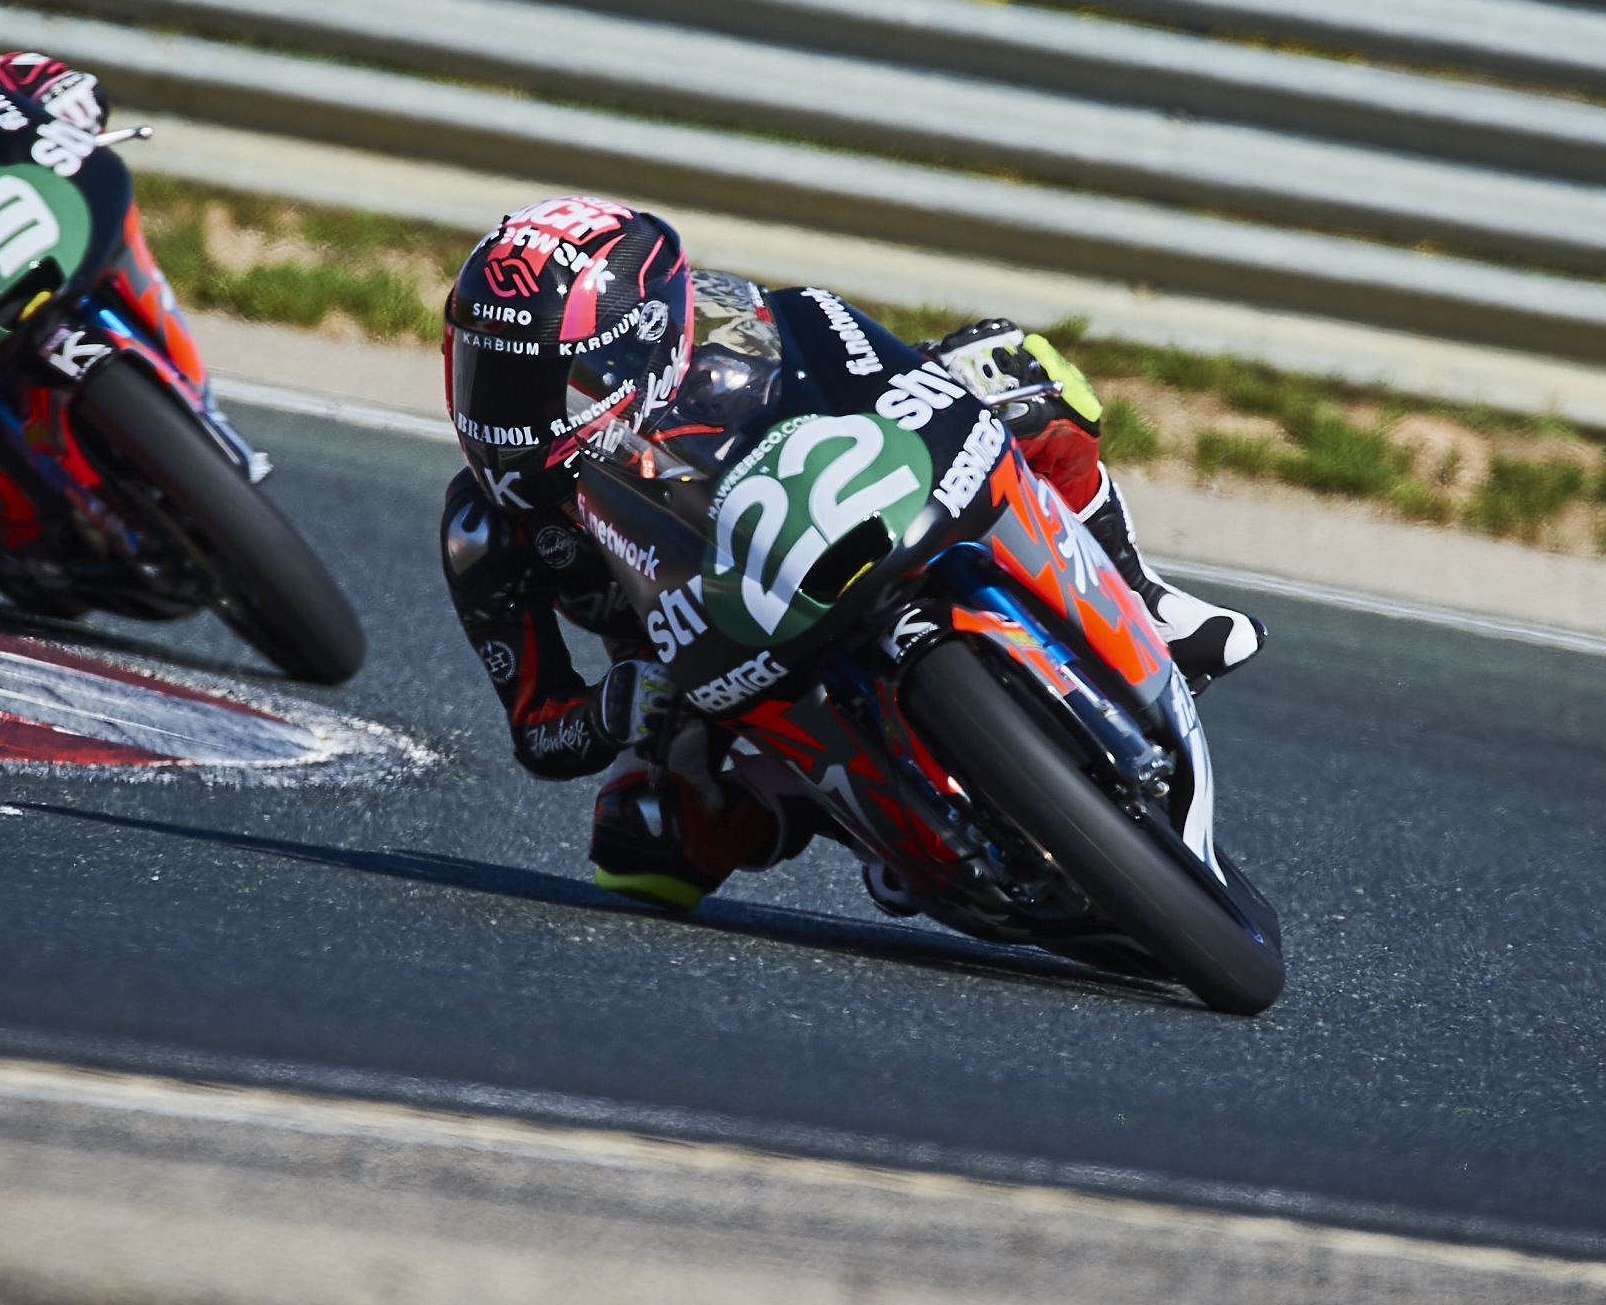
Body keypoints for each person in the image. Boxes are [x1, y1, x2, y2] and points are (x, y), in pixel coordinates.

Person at [436, 194, 1262, 911]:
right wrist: (612, 711)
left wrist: (930, 387)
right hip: (704, 668)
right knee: (640, 845)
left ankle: (1141, 598)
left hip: (841, 514)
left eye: (530, 383)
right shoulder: (485, 532)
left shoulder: (724, 346)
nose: (501, 412)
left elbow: (843, 361)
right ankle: (860, 822)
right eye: (485, 375)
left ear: (633, 347)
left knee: (1019, 371)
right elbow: (537, 728)